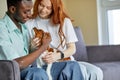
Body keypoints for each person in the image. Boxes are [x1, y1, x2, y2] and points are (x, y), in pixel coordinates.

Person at [25, 0, 104, 80]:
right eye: (41, 5)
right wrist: (32, 45)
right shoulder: (29, 23)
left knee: (96, 71)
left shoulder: (64, 21)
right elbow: (26, 52)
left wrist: (57, 56)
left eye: (48, 8)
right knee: (71, 67)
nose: (43, 10)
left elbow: (72, 49)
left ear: (54, 9)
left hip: (66, 60)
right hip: (45, 63)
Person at [0, 0, 51, 80]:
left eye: (30, 10)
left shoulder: (24, 27)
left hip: (30, 70)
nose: (30, 15)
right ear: (13, 9)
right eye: (26, 12)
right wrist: (43, 47)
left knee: (71, 66)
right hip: (13, 73)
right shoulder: (2, 28)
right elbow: (17, 65)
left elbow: (27, 55)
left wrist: (33, 47)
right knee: (38, 73)